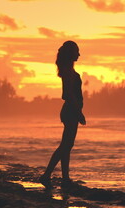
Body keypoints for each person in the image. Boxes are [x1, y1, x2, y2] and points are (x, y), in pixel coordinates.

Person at [39, 41, 86, 188]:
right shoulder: (67, 72)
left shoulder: (69, 70)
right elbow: (67, 94)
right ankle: (46, 175)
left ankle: (65, 177)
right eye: (77, 51)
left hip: (71, 111)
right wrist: (79, 113)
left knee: (67, 145)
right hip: (70, 111)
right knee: (65, 145)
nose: (79, 54)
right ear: (71, 53)